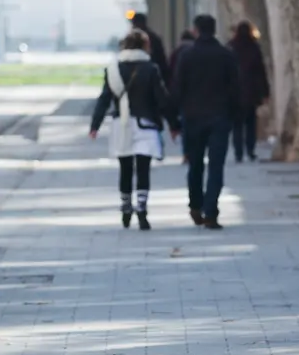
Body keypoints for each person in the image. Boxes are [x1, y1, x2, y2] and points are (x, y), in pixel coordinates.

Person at [90, 29, 177, 228]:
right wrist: (174, 124)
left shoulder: (113, 69)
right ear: (145, 46)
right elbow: (161, 99)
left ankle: (126, 207)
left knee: (126, 169)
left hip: (122, 125)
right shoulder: (150, 69)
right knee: (143, 169)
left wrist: (95, 125)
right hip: (145, 125)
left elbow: (104, 99)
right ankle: (142, 209)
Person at [169, 14, 246, 228]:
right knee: (216, 166)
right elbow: (236, 88)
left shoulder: (187, 55)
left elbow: (177, 88)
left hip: (192, 118)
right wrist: (236, 116)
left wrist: (173, 121)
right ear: (214, 30)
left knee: (195, 165)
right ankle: (211, 211)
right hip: (220, 117)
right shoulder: (226, 55)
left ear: (195, 30)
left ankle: (195, 204)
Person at [229, 20, 270, 161]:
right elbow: (261, 72)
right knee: (251, 124)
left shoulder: (230, 47)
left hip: (234, 93)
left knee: (237, 125)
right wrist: (265, 92)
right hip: (251, 93)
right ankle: (250, 149)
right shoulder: (254, 48)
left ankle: (238, 152)